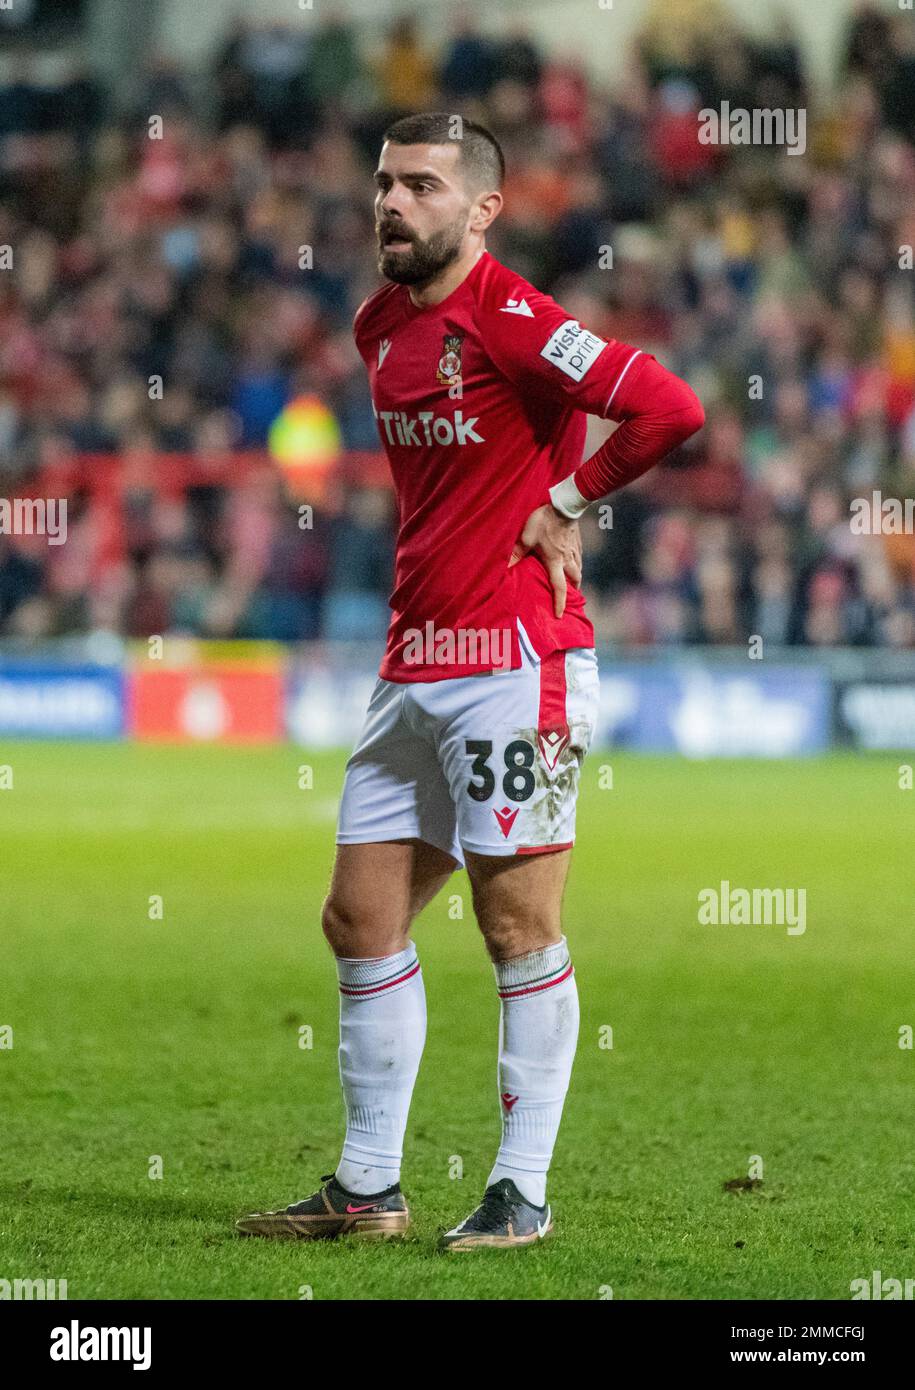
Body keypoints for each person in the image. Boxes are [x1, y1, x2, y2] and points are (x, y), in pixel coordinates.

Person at [237, 113, 703, 1250]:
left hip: (517, 662)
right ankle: (367, 1188)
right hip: (414, 659)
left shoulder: (514, 318)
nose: (392, 203)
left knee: (517, 922)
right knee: (360, 915)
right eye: (385, 181)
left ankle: (521, 1192)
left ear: (484, 209)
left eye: (423, 186)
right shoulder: (377, 323)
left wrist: (566, 500)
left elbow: (669, 406)